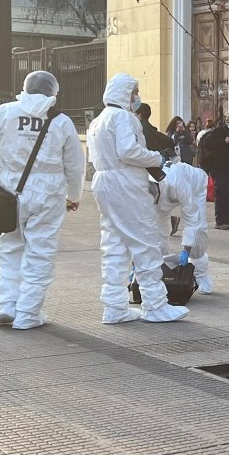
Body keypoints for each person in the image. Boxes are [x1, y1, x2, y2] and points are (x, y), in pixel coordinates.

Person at [0, 71, 85, 330]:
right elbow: (74, 165)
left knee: (10, 245)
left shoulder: (6, 112)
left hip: (9, 191)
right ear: (53, 93)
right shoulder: (61, 121)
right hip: (48, 193)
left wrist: (5, 164)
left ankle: (5, 305)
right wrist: (74, 195)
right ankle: (28, 313)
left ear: (25, 88)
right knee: (40, 251)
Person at [87, 73, 189, 324]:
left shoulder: (99, 120)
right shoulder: (122, 117)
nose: (137, 97)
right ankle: (155, 305)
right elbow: (128, 151)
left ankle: (114, 306)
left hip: (104, 182)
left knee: (114, 245)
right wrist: (156, 159)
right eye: (135, 92)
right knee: (146, 241)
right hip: (126, 183)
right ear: (125, 93)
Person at [154, 159, 214, 294]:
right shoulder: (142, 189)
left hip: (195, 187)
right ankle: (161, 271)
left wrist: (186, 250)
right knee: (157, 232)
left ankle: (200, 273)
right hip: (168, 193)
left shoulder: (176, 182)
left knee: (199, 230)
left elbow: (191, 219)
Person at [197, 112, 229, 230]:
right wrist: (223, 141)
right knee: (221, 194)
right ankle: (220, 221)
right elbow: (206, 142)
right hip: (220, 169)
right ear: (226, 121)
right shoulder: (219, 131)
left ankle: (227, 219)